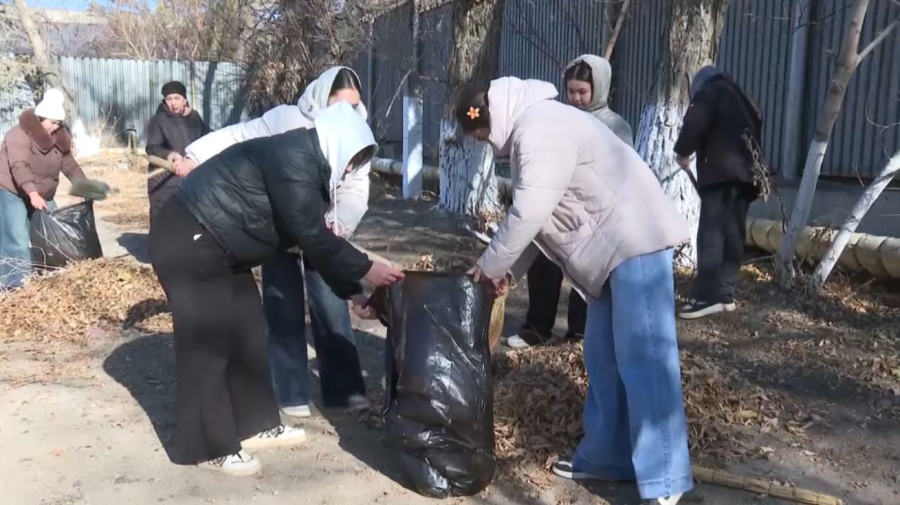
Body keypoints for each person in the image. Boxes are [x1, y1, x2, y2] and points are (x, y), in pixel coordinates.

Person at [457, 77, 692, 505]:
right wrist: (509, 272)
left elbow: (528, 213)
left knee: (646, 360)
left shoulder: (539, 126)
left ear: (492, 118)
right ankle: (609, 457)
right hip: (610, 254)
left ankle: (666, 477)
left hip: (636, 242)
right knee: (603, 357)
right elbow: (541, 219)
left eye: (482, 135)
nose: (486, 144)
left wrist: (487, 268)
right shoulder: (533, 128)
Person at [149, 102, 404, 476]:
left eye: (360, 161)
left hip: (222, 246)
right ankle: (210, 446)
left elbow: (311, 243)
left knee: (251, 333)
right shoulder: (293, 159)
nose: (352, 169)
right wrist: (368, 269)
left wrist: (354, 292)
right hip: (189, 239)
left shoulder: (308, 168)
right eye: (353, 159)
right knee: (207, 345)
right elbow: (313, 237)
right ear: (335, 143)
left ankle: (255, 424)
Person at [172, 67, 373, 418]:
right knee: (282, 307)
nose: (347, 111)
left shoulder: (356, 133)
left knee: (332, 305)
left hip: (322, 231)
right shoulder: (288, 119)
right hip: (277, 228)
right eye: (340, 103)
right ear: (321, 98)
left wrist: (340, 223)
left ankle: (345, 390)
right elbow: (240, 137)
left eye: (354, 105)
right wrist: (195, 156)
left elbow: (356, 188)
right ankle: (290, 393)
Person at [506, 55, 635, 349]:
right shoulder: (560, 120)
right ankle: (536, 329)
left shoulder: (616, 126)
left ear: (598, 89)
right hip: (557, 210)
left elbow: (622, 174)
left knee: (586, 276)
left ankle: (579, 334)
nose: (576, 98)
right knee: (543, 264)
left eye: (582, 92)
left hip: (594, 218)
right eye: (571, 91)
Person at [674, 66, 764, 320]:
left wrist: (683, 150)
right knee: (733, 232)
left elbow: (695, 120)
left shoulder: (710, 90)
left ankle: (706, 297)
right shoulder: (741, 97)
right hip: (746, 176)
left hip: (720, 174)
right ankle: (725, 294)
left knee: (711, 232)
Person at [0, 88, 86, 290]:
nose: (56, 127)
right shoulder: (18, 135)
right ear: (40, 118)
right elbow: (19, 166)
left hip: (42, 192)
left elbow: (69, 165)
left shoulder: (59, 136)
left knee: (52, 233)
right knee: (16, 238)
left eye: (59, 123)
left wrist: (84, 187)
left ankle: (47, 278)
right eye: (52, 122)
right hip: (13, 190)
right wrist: (32, 194)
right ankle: (15, 285)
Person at [145, 81, 210, 227]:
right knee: (163, 220)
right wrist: (170, 155)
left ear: (185, 99)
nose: (173, 103)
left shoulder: (194, 118)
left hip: (190, 178)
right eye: (169, 99)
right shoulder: (158, 120)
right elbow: (152, 148)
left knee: (188, 221)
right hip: (164, 182)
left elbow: (206, 139)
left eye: (177, 98)